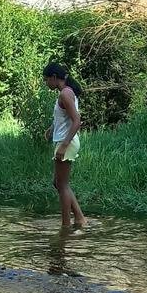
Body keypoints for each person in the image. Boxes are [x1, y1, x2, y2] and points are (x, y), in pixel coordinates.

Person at [42, 61, 87, 229]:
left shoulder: (65, 94)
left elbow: (77, 121)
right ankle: (79, 218)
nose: (46, 83)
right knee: (59, 183)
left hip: (66, 142)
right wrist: (52, 129)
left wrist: (64, 145)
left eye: (47, 80)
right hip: (63, 140)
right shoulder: (66, 92)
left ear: (54, 77)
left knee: (62, 184)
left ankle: (66, 226)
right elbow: (65, 119)